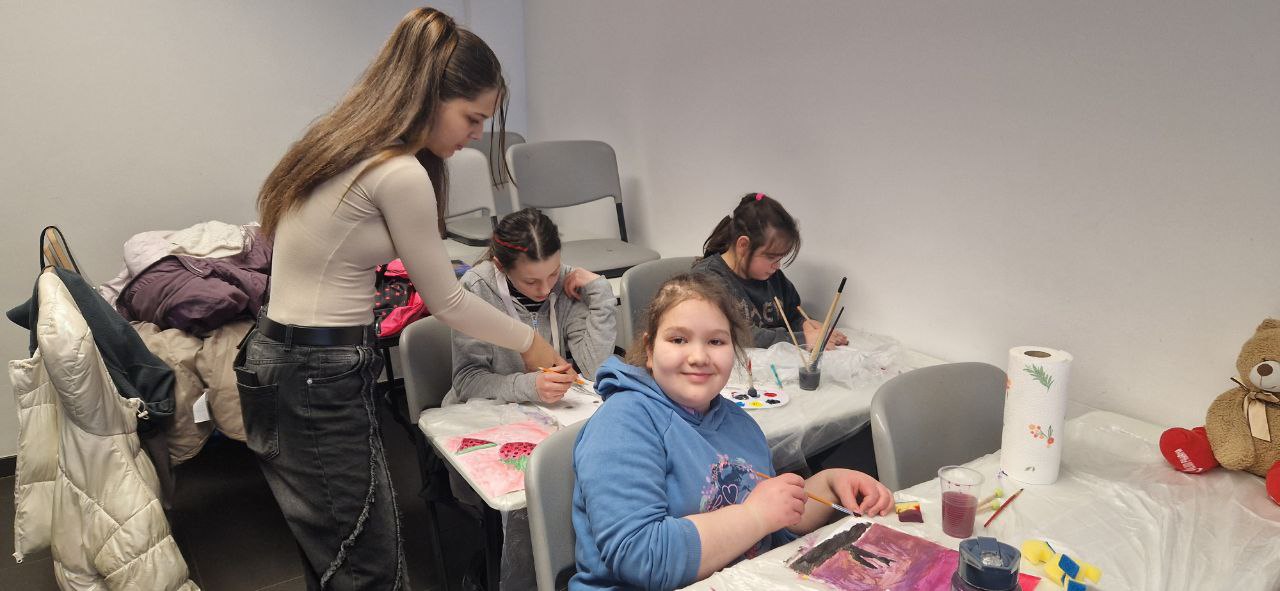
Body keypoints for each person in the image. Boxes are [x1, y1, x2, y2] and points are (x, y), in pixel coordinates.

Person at [236, 8, 560, 589]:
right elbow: (449, 302)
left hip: (283, 357)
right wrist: (531, 343)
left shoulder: (344, 143)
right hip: (316, 371)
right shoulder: (399, 172)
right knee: (367, 563)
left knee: (335, 552)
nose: (476, 135)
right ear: (430, 95)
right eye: (472, 117)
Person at [570, 273, 894, 590]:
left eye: (716, 341)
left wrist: (830, 484)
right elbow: (643, 557)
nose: (698, 357)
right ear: (650, 351)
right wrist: (755, 516)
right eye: (678, 339)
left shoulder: (739, 424)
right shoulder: (623, 423)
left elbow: (773, 525)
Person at [444, 207, 617, 406]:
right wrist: (529, 386)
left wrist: (601, 292)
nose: (545, 289)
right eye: (530, 281)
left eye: (553, 273)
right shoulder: (477, 289)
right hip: (488, 412)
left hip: (547, 412)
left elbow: (594, 369)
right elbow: (466, 382)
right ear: (500, 266)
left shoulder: (566, 282)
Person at [691, 192, 849, 349]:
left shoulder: (772, 277)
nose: (777, 266)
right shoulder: (706, 278)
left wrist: (804, 324)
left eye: (780, 259)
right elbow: (735, 335)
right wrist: (803, 339)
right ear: (743, 246)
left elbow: (792, 314)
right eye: (772, 257)